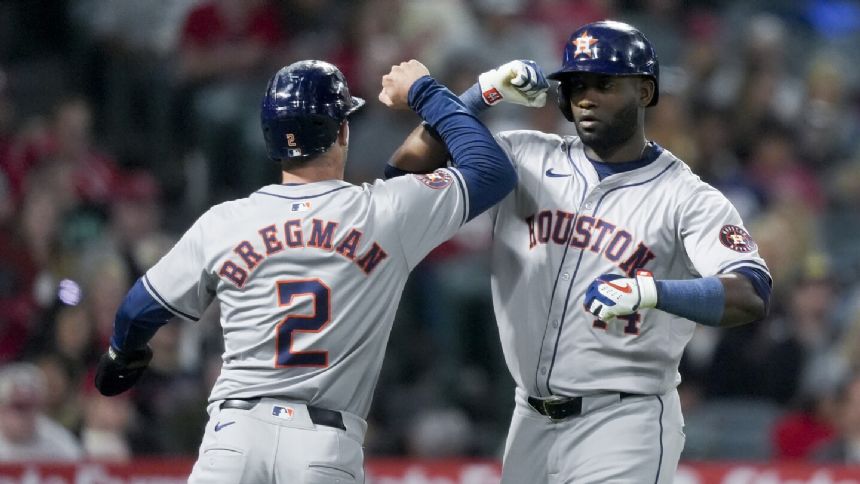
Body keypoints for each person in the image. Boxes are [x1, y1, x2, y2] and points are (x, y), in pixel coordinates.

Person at [93, 58, 516, 483]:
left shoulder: (225, 222)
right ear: (343, 132)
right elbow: (490, 170)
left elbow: (137, 310)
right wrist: (432, 92)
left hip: (235, 437)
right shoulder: (382, 212)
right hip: (323, 443)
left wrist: (122, 355)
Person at [387, 20, 772, 483]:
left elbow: (751, 293)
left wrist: (653, 292)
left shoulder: (687, 196)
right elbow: (402, 179)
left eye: (604, 83)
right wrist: (480, 93)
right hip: (528, 418)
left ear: (645, 91)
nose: (586, 97)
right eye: (576, 84)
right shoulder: (523, 154)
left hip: (622, 422)